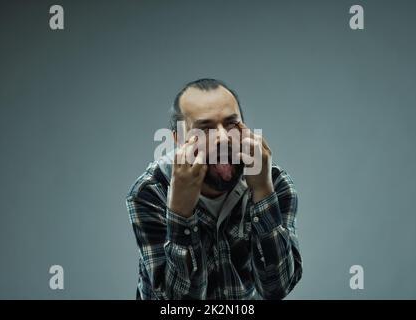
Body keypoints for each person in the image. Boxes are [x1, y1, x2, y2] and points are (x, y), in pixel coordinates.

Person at [126, 78, 302, 299]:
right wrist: (180, 214)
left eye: (231, 124)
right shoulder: (150, 192)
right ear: (178, 141)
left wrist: (263, 192)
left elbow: (277, 287)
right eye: (205, 129)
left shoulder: (274, 183)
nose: (223, 137)